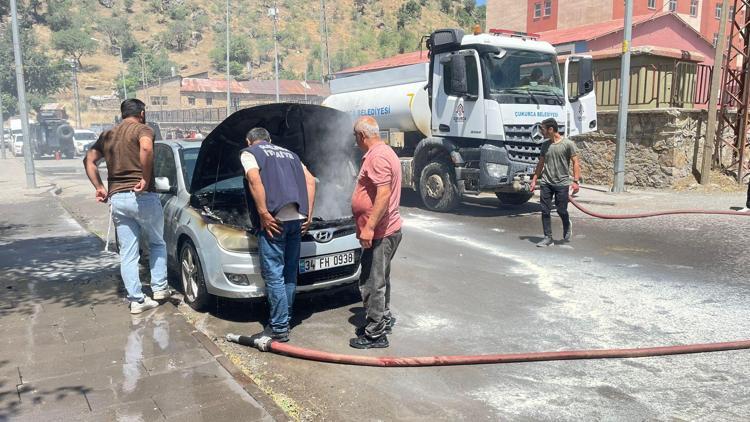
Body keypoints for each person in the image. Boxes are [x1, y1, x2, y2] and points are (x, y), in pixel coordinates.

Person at [83, 99, 170, 314]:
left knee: (128, 253)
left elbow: (89, 160)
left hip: (118, 199)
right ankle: (159, 289)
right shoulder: (143, 129)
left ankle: (136, 301)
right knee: (157, 242)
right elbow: (147, 148)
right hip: (142, 197)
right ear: (141, 113)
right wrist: (144, 177)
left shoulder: (108, 134)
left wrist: (99, 187)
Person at [241, 127, 316, 343]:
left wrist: (263, 213)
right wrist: (308, 214)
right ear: (270, 140)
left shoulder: (250, 153)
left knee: (274, 274)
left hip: (275, 221)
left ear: (249, 141)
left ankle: (279, 328)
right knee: (290, 273)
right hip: (296, 220)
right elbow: (311, 180)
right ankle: (285, 318)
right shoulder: (291, 154)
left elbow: (254, 180)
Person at [349, 116, 403, 349]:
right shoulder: (385, 152)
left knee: (372, 283)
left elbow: (383, 194)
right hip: (387, 230)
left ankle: (375, 335)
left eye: (355, 137)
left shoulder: (378, 156)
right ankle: (383, 319)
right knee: (381, 280)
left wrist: (369, 227)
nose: (355, 141)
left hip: (380, 232)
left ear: (361, 136)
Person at [530, 117, 581, 247]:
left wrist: (575, 181)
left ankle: (566, 224)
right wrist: (534, 179)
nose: (541, 133)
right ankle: (548, 237)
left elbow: (576, 162)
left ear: (551, 129)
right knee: (545, 210)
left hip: (562, 183)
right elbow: (541, 164)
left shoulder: (567, 144)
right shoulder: (545, 145)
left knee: (561, 210)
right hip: (546, 182)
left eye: (543, 130)